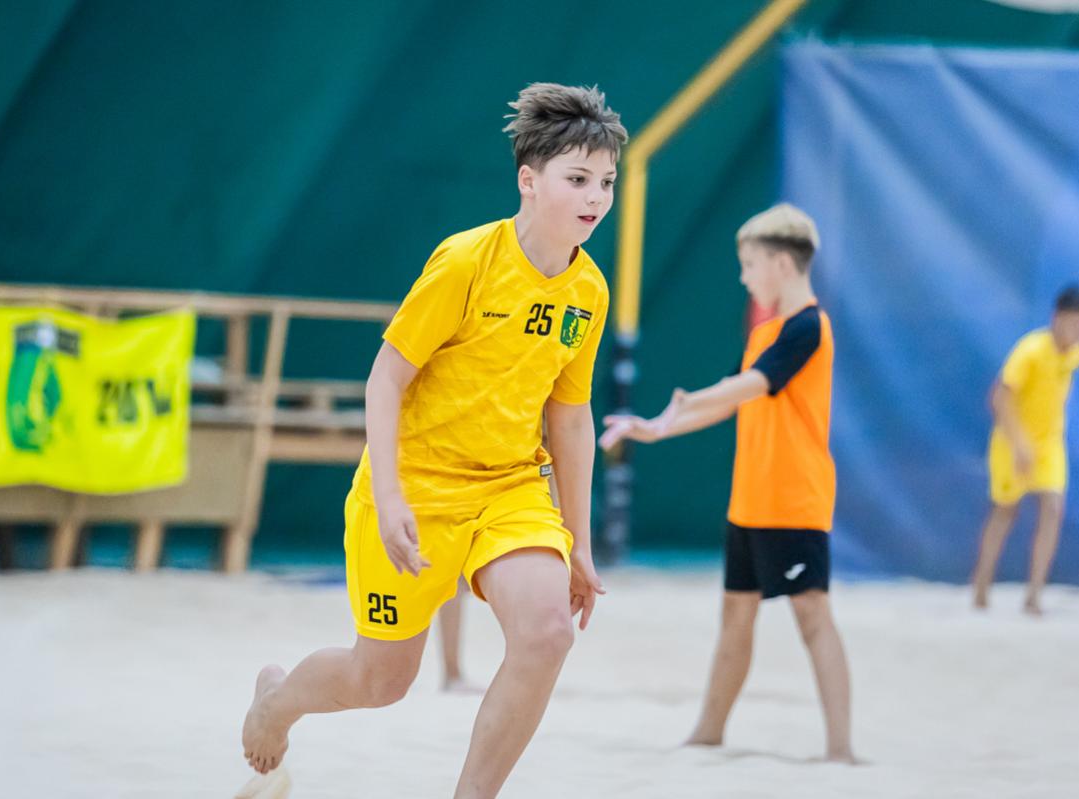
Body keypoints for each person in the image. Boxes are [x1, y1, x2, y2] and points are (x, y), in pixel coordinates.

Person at [241, 82, 626, 797]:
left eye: (606, 182)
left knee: (548, 632)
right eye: (578, 179)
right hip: (415, 486)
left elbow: (570, 417)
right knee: (379, 680)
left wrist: (578, 540)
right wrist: (390, 498)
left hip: (509, 487)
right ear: (528, 180)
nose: (595, 197)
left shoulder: (590, 291)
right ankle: (277, 701)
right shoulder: (465, 261)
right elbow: (384, 379)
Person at [599, 203, 856, 763]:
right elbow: (732, 400)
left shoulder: (809, 326)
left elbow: (752, 385)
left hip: (794, 500)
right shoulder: (766, 331)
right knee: (735, 617)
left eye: (749, 264)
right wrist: (656, 427)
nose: (743, 277)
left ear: (782, 264)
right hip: (750, 501)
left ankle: (841, 749)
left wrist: (690, 399)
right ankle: (707, 733)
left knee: (813, 617)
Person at [971, 284, 1079, 615]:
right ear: (1056, 318)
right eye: (1074, 323)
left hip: (1049, 444)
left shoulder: (1077, 353)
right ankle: (981, 587)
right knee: (1005, 511)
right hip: (1013, 442)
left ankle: (1034, 595)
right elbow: (999, 397)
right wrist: (1020, 443)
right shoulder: (1031, 351)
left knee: (1053, 507)